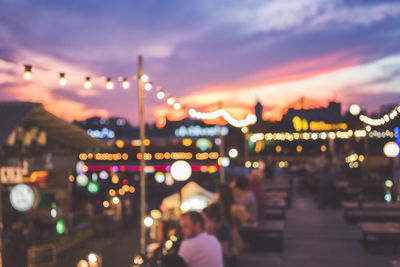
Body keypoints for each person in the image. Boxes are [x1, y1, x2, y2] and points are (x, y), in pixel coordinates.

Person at [216, 184, 255, 254]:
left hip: (220, 242)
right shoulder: (235, 208)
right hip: (235, 243)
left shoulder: (215, 208)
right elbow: (252, 220)